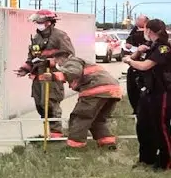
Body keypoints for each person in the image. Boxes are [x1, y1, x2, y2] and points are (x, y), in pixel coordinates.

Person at [39, 51, 121, 150]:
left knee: (79, 117)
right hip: (112, 92)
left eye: (57, 61)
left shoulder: (71, 61)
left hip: (95, 90)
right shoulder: (83, 62)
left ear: (62, 58)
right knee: (97, 120)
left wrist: (54, 76)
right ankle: (107, 144)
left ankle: (75, 146)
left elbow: (73, 72)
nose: (58, 65)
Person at [14, 9, 75, 138]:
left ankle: (56, 134)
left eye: (39, 21)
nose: (37, 23)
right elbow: (32, 56)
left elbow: (68, 55)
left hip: (52, 77)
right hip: (38, 77)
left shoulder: (60, 36)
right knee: (41, 105)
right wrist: (25, 68)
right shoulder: (36, 38)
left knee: (51, 104)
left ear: (48, 22)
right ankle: (49, 132)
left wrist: (52, 62)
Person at [123, 18, 171, 170]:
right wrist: (137, 51)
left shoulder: (164, 48)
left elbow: (145, 66)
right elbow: (135, 59)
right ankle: (146, 158)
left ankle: (166, 161)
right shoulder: (151, 46)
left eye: (144, 29)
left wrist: (129, 61)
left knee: (161, 127)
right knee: (144, 126)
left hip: (162, 93)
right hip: (148, 91)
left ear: (149, 30)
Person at [124, 15, 149, 113]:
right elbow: (128, 43)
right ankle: (136, 110)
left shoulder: (154, 42)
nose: (137, 21)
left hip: (144, 69)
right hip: (133, 66)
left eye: (139, 19)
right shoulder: (134, 31)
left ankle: (142, 110)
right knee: (132, 90)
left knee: (142, 92)